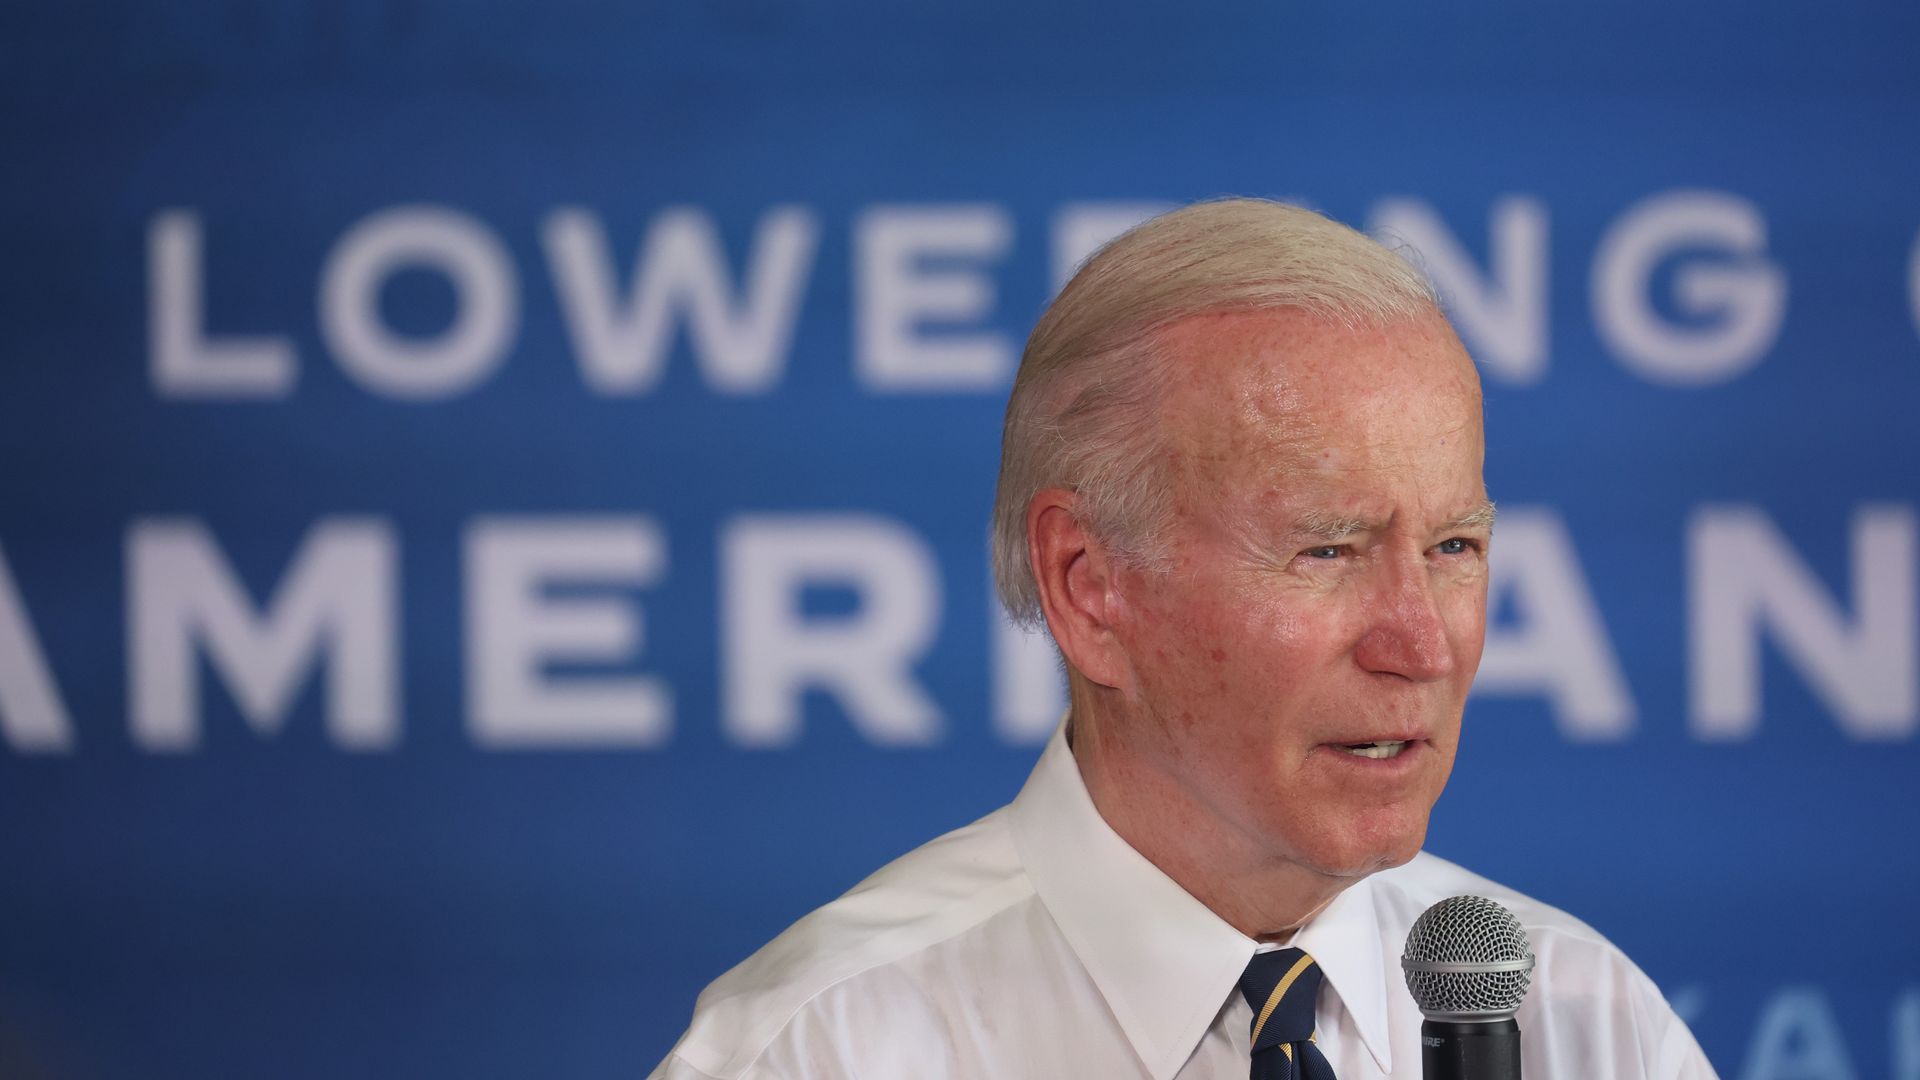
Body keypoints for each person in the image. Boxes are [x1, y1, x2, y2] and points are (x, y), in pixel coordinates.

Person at [650, 199, 1717, 1079]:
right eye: (1328, 551)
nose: (1422, 646)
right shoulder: (821, 1051)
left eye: (1452, 546)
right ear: (1091, 588)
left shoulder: (1587, 1027)